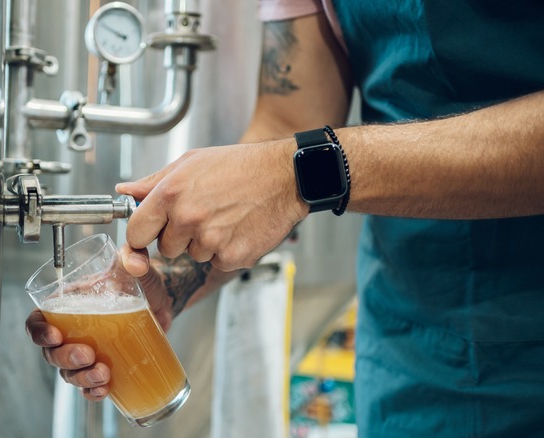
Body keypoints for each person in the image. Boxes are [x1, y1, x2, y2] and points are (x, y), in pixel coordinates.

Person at [27, 1, 544, 435]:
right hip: (415, 346)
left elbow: (294, 162)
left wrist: (301, 172)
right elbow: (294, 117)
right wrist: (171, 278)